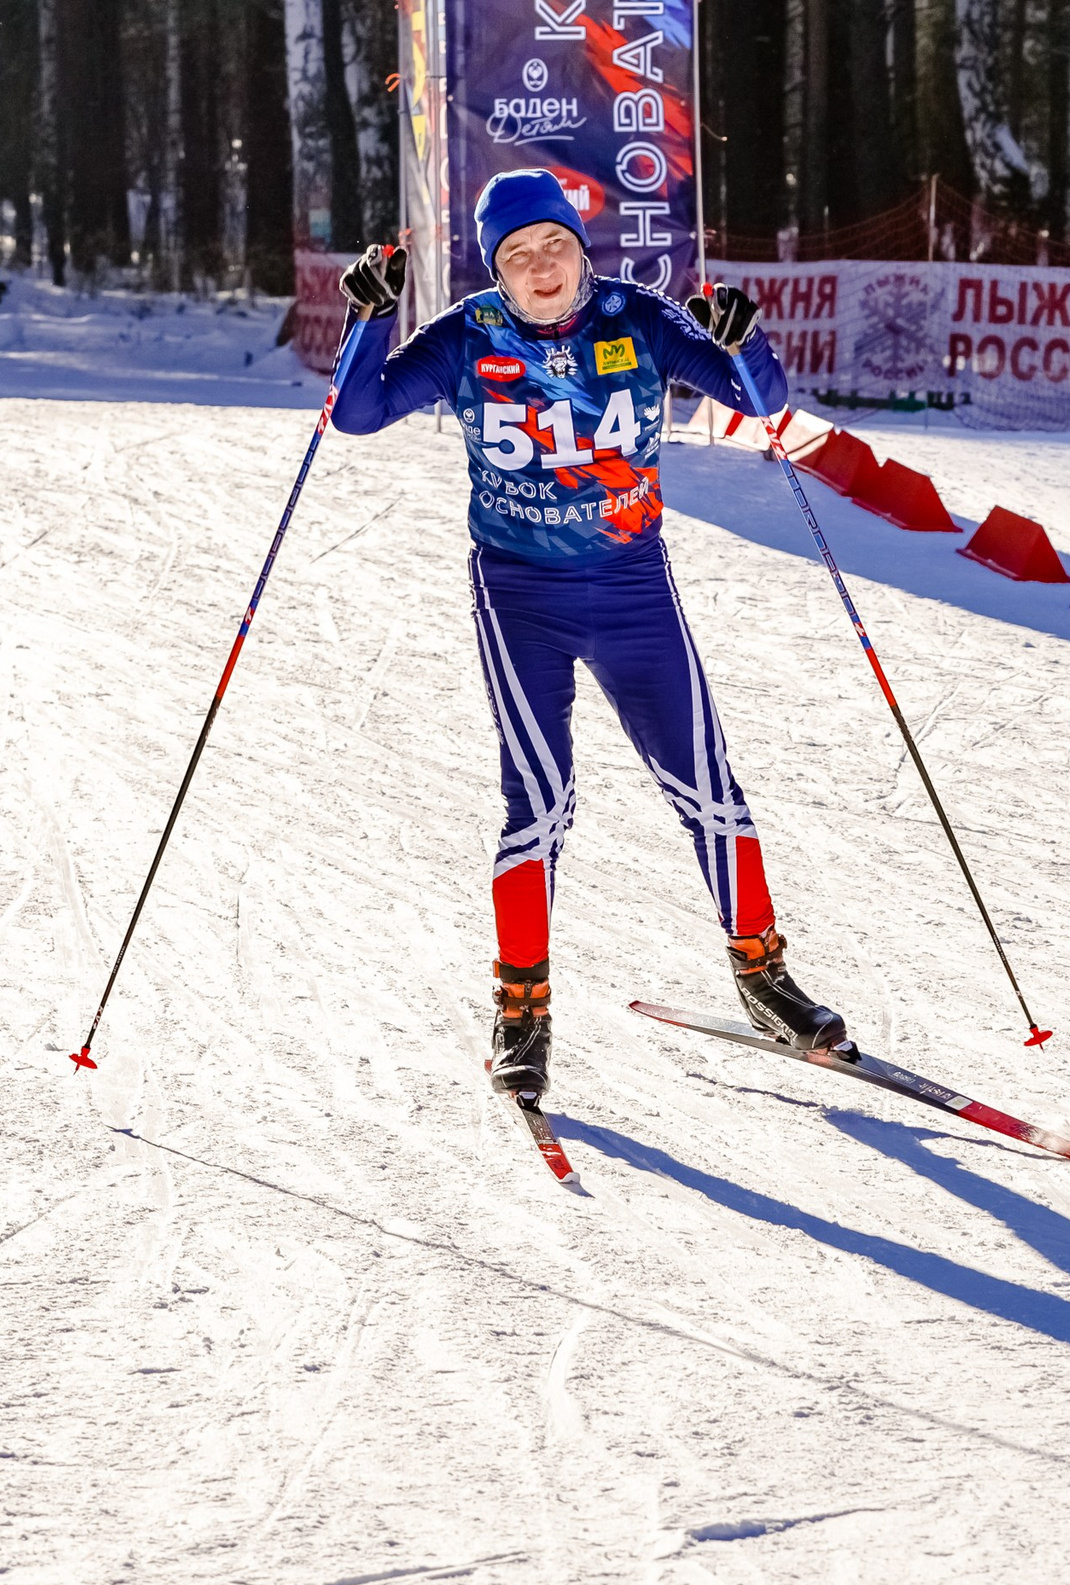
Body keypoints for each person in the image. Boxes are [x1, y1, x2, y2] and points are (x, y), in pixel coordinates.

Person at [324, 169, 844, 1103]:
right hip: (520, 596)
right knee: (540, 803)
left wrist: (744, 335)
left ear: (580, 248)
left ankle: (763, 973)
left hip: (633, 587)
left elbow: (760, 400)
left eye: (553, 245)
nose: (539, 266)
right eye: (517, 256)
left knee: (707, 787)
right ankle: (521, 1011)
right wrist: (369, 319)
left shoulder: (635, 318)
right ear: (497, 271)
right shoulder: (465, 336)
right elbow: (357, 413)